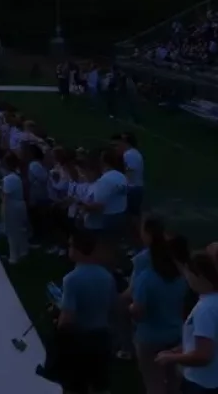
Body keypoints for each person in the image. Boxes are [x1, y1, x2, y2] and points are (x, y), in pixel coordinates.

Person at [46, 229, 116, 393]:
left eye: (71, 245)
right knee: (99, 384)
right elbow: (113, 306)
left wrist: (57, 324)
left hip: (79, 340)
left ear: (78, 250)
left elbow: (68, 317)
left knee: (75, 386)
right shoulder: (107, 276)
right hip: (102, 338)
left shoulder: (71, 279)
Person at [128, 216, 188, 394]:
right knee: (174, 381)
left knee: (154, 383)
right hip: (176, 334)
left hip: (149, 337)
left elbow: (138, 310)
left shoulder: (146, 278)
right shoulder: (182, 277)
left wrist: (130, 310)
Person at [155, 251, 218, 390]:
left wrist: (171, 358)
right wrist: (179, 350)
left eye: (188, 274)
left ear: (199, 276)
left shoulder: (206, 309)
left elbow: (203, 356)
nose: (186, 279)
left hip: (202, 384)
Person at [81, 148, 128, 259]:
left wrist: (82, 206)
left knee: (104, 247)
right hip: (122, 214)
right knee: (113, 245)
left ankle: (107, 268)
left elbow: (98, 205)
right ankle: (116, 267)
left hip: (109, 217)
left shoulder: (105, 180)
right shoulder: (121, 176)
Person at [114, 132, 145, 240]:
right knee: (133, 218)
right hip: (136, 188)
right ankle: (136, 242)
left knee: (132, 219)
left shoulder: (129, 154)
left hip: (132, 189)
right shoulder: (135, 153)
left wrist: (122, 185)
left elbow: (130, 171)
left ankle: (138, 243)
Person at [0, 151, 29, 265]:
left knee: (11, 232)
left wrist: (3, 211)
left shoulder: (8, 179)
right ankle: (23, 251)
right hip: (20, 204)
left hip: (12, 206)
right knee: (20, 230)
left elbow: (5, 196)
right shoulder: (16, 176)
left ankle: (13, 257)